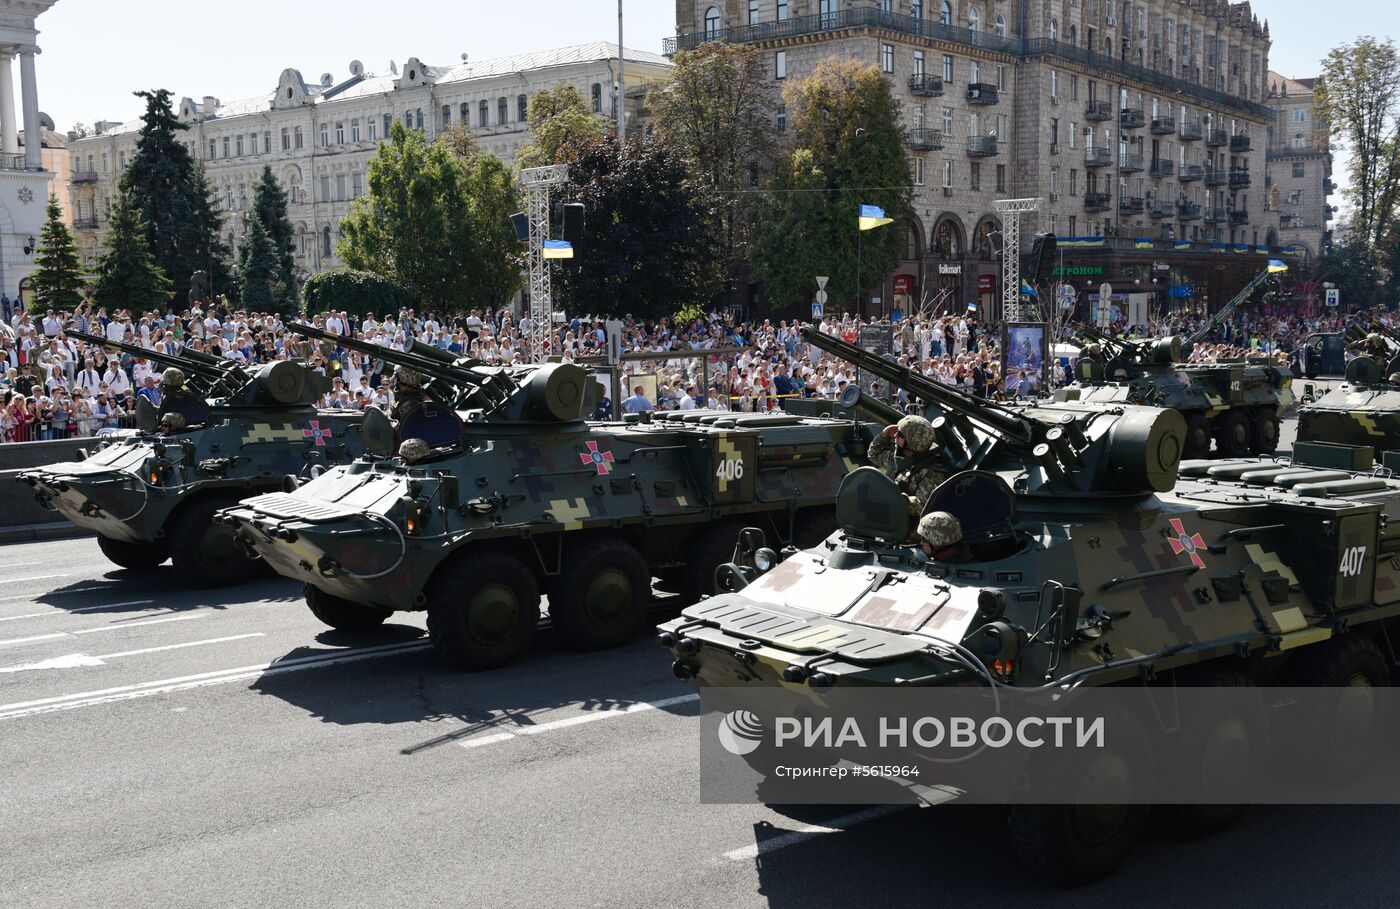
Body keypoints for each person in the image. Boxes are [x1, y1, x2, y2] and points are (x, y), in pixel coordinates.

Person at [867, 414, 947, 521]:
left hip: (909, 527)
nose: (895, 435)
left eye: (900, 434)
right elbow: (873, 455)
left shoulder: (930, 471)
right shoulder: (896, 456)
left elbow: (923, 505)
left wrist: (897, 499)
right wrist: (884, 435)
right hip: (889, 517)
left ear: (912, 441)